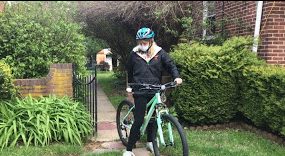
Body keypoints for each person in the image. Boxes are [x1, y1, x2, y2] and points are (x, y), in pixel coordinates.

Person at [123, 27, 182, 156]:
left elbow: (170, 65)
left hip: (155, 89)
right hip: (140, 90)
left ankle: (150, 141)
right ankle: (128, 149)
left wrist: (176, 76)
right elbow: (129, 70)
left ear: (151, 41)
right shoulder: (134, 53)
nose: (142, 45)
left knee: (153, 118)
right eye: (140, 42)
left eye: (145, 42)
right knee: (138, 120)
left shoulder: (159, 53)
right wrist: (130, 85)